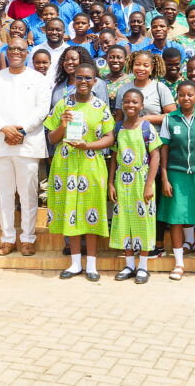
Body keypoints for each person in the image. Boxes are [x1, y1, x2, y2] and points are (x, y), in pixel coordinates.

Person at [45, 62, 115, 281]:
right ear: (73, 79)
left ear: (95, 81)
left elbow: (110, 138)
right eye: (79, 77)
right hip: (65, 165)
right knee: (70, 212)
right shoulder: (63, 105)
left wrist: (88, 146)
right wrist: (62, 126)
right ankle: (75, 264)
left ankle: (92, 265)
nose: (83, 81)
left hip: (91, 165)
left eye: (88, 78)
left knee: (91, 212)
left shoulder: (101, 107)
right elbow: (51, 139)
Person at [0, 38, 50, 256]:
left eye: (21, 49)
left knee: (28, 193)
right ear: (6, 51)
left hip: (28, 144)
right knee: (3, 194)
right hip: (1, 144)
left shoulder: (38, 79)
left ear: (27, 52)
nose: (16, 52)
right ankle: (8, 238)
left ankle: (28, 238)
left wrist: (23, 131)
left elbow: (42, 110)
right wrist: (5, 128)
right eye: (12, 49)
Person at [155, 81, 195, 282]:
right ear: (177, 97)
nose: (186, 98)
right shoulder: (170, 119)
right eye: (182, 95)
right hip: (176, 173)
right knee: (176, 218)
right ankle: (179, 263)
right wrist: (164, 177)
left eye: (190, 94)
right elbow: (163, 148)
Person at [104, 87, 162, 284]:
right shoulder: (118, 127)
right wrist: (111, 182)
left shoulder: (147, 128)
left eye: (135, 102)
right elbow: (113, 157)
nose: (130, 105)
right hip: (122, 181)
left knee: (144, 221)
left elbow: (155, 156)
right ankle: (129, 264)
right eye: (127, 101)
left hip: (141, 180)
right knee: (123, 222)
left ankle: (143, 267)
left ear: (142, 106)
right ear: (122, 104)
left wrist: (149, 185)